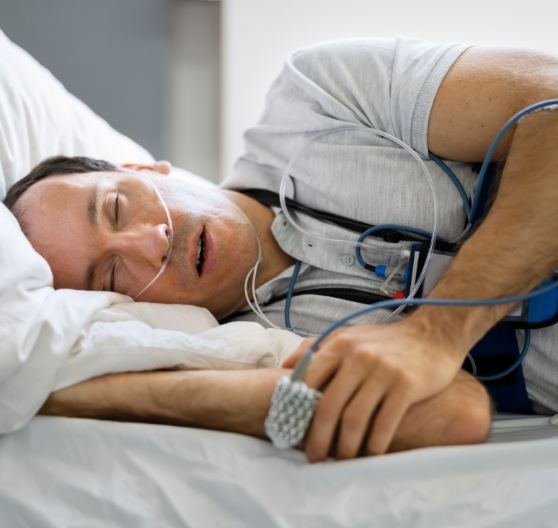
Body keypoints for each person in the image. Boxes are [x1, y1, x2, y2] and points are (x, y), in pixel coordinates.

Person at [6, 37, 558, 462]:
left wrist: (434, 337)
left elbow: (551, 102)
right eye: (112, 276)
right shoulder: (247, 352)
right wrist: (69, 396)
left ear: (145, 169)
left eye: (117, 209)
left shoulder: (316, 97)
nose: (152, 243)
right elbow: (453, 414)